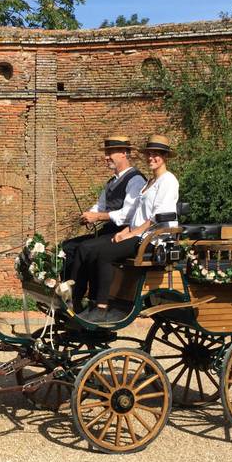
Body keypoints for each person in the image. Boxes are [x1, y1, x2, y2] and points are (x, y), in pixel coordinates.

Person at [73, 134, 180, 324]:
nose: (151, 158)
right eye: (149, 154)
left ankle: (101, 308)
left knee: (105, 254)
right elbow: (138, 213)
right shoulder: (149, 182)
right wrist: (125, 231)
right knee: (94, 248)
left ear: (165, 157)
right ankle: (86, 301)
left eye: (156, 154)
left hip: (155, 239)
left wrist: (133, 233)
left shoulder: (168, 181)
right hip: (141, 234)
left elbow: (157, 217)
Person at [61, 135, 147, 311]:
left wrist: (98, 217)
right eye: (106, 153)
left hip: (124, 232)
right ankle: (65, 290)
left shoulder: (136, 180)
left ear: (124, 153)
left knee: (85, 248)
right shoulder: (112, 182)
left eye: (110, 152)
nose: (106, 156)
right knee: (68, 246)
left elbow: (128, 214)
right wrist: (88, 215)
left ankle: (77, 299)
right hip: (107, 230)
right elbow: (100, 205)